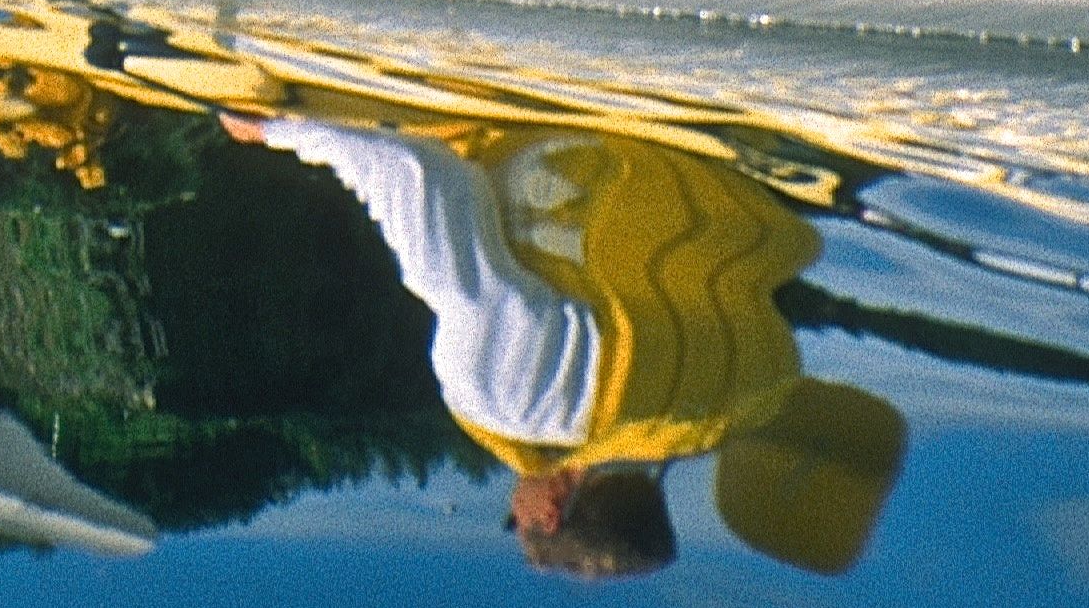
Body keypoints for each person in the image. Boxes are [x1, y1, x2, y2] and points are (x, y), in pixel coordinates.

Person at [220, 103, 906, 581]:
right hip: (602, 118)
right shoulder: (511, 401)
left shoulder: (745, 398)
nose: (512, 508)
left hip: (748, 157)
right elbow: (420, 176)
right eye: (515, 522)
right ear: (548, 512)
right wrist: (287, 131)